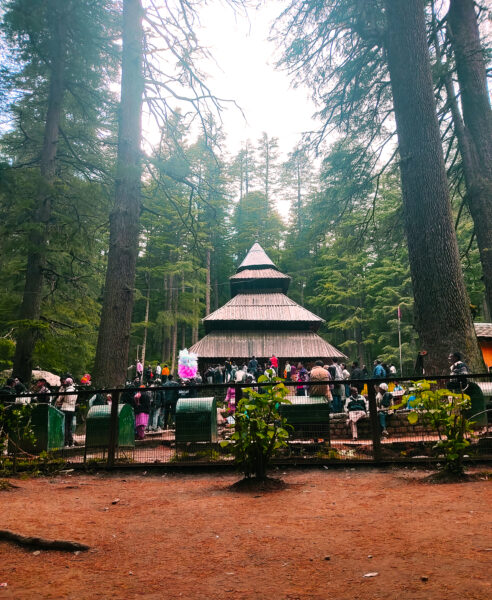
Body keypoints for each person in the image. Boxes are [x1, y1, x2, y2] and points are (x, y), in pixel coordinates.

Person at [56, 376, 78, 447]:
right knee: (70, 426)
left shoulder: (66, 390)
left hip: (65, 408)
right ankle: (71, 442)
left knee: (65, 426)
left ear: (67, 383)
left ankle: (66, 442)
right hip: (72, 409)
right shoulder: (75, 390)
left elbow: (59, 399)